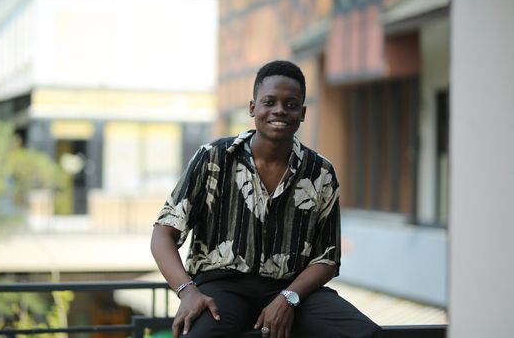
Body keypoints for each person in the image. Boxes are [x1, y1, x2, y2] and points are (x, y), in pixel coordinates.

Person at [151, 60, 381, 338]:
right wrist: (187, 291)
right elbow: (163, 234)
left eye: (290, 104)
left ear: (303, 112)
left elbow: (328, 258)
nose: (279, 111)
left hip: (293, 289)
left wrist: (288, 298)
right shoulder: (213, 157)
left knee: (367, 335)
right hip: (222, 287)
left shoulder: (320, 172)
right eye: (269, 102)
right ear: (252, 108)